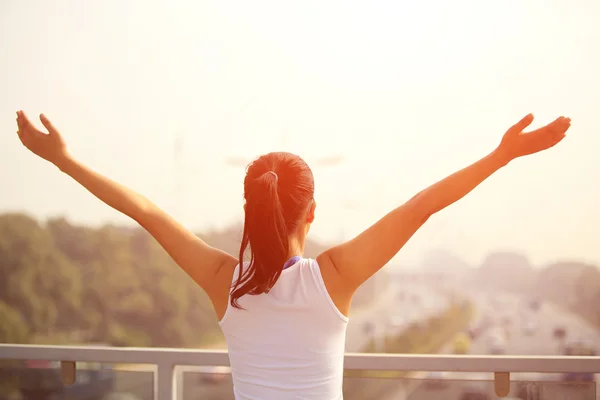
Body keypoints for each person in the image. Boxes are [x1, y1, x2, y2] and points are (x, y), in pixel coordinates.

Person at [15, 110, 571, 399]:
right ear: (311, 214)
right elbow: (423, 205)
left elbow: (146, 211)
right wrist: (503, 154)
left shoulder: (221, 279)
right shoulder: (335, 276)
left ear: (249, 210)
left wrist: (63, 159)